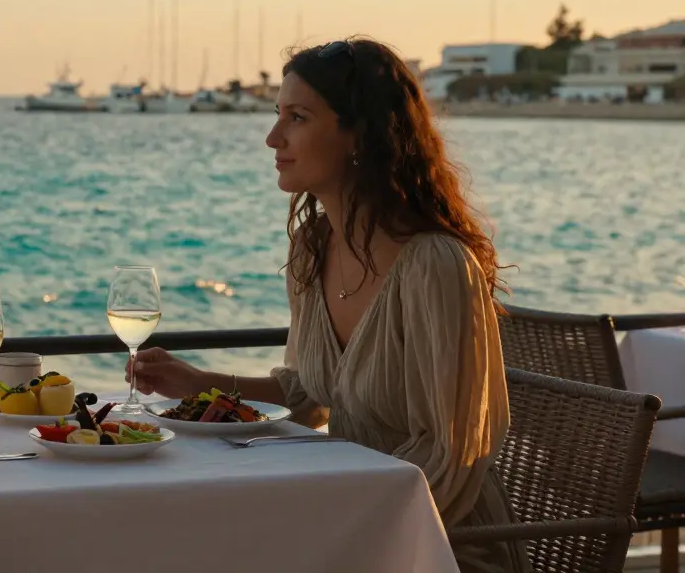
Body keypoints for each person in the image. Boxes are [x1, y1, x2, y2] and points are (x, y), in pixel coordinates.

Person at [129, 38, 530, 572]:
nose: (274, 138)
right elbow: (307, 396)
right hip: (347, 510)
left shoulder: (434, 265)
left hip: (435, 541)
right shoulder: (313, 247)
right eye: (278, 115)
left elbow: (453, 454)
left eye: (297, 117)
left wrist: (339, 526)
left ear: (359, 133)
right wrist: (198, 383)